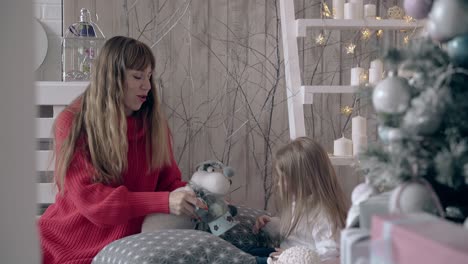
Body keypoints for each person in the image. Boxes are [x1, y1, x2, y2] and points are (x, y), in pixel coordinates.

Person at [38, 36, 206, 264]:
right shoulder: (72, 123)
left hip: (125, 248)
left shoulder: (154, 124)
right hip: (59, 242)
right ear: (111, 78)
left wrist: (197, 197)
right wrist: (164, 201)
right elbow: (94, 202)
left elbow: (168, 184)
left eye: (149, 76)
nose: (147, 86)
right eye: (137, 76)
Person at [250, 137, 349, 264]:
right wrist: (272, 224)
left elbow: (330, 255)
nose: (278, 183)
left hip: (293, 260)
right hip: (284, 254)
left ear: (303, 179)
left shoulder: (323, 213)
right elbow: (297, 230)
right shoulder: (300, 203)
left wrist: (293, 256)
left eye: (282, 178)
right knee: (246, 250)